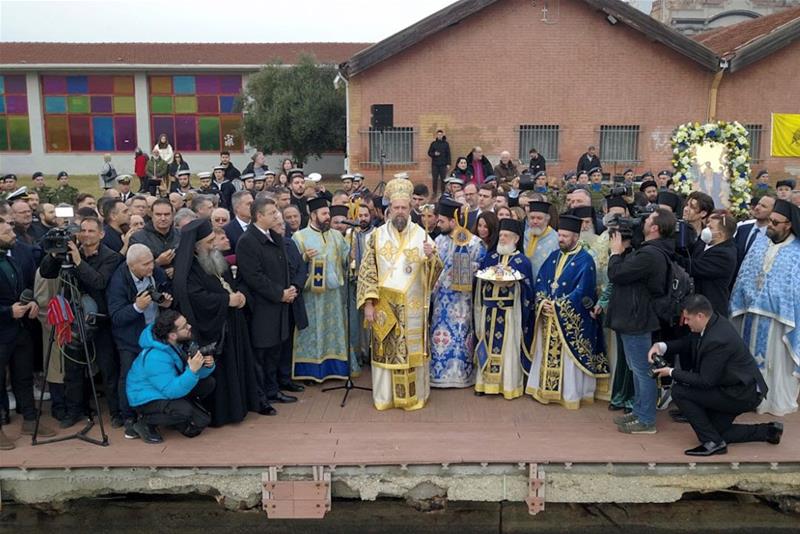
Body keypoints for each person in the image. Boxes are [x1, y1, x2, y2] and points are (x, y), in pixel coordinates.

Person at [648, 295, 781, 456]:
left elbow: (705, 381)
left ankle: (713, 444)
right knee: (715, 430)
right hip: (734, 386)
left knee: (679, 392)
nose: (686, 323)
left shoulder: (717, 340)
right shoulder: (713, 322)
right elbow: (688, 342)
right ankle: (769, 431)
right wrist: (661, 347)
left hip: (741, 394)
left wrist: (670, 372)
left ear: (700, 316)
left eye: (688, 319)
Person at [357, 175, 442, 410]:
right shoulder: (376, 236)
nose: (401, 212)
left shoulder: (422, 235)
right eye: (396, 207)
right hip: (384, 306)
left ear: (411, 208)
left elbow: (434, 275)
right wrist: (369, 305)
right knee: (386, 353)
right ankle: (386, 397)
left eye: (404, 207)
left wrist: (432, 257)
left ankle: (414, 397)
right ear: (390, 209)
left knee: (413, 353)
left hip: (414, 306)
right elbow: (367, 273)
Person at [172, 217, 260, 427]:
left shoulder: (213, 257)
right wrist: (226, 300)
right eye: (209, 242)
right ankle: (223, 413)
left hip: (232, 321)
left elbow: (230, 281)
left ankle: (241, 406)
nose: (214, 245)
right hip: (211, 328)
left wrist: (241, 296)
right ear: (196, 245)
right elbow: (193, 296)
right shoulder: (187, 267)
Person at [39, 216, 124, 427]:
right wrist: (56, 254)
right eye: (83, 230)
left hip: (100, 320)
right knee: (73, 368)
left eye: (91, 231)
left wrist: (78, 261)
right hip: (72, 320)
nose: (86, 235)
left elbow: (99, 281)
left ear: (101, 234)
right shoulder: (70, 251)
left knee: (107, 368)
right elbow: (46, 272)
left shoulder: (111, 257)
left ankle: (116, 412)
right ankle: (74, 411)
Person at [526, 214, 608, 408]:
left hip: (568, 318)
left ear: (576, 237)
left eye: (565, 236)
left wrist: (556, 306)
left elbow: (583, 291)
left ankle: (570, 393)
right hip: (549, 315)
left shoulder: (585, 260)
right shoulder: (554, 256)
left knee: (569, 359)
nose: (560, 239)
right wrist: (543, 300)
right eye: (559, 235)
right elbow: (541, 282)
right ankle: (546, 390)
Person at [607, 208, 677, 434]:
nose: (643, 222)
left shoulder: (650, 254)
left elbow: (617, 274)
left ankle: (646, 420)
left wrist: (616, 253)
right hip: (634, 316)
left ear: (655, 227)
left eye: (648, 219)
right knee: (636, 367)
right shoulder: (648, 251)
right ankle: (638, 411)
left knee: (642, 370)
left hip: (637, 318)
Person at [730, 199, 800, 416]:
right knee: (748, 358)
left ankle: (773, 401)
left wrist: (775, 301)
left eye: (775, 222)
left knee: (775, 362)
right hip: (752, 314)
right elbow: (745, 274)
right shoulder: (761, 241)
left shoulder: (796, 252)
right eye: (770, 220)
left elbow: (795, 289)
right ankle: (749, 398)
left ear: (788, 225)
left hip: (780, 321)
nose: (769, 225)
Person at [236, 197, 298, 414]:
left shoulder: (274, 236)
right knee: (261, 354)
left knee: (275, 350)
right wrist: (278, 293)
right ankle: (260, 398)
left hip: (280, 303)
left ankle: (273, 390)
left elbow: (284, 267)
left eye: (276, 212)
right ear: (259, 216)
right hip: (262, 307)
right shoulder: (247, 241)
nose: (277, 216)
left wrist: (289, 290)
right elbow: (254, 276)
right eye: (272, 213)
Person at [0, 217, 56, 450]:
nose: (13, 234)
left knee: (23, 377)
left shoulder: (12, 258)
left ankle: (30, 420)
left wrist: (31, 301)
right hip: (2, 330)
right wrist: (6, 312)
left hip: (20, 330)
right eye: (6, 232)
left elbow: (23, 289)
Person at [107, 244, 172, 439]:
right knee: (128, 376)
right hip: (130, 338)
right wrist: (137, 307)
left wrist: (166, 301)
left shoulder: (156, 272)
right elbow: (116, 316)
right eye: (145, 264)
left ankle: (154, 412)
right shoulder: (118, 281)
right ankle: (127, 417)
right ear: (131, 266)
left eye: (152, 261)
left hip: (155, 334)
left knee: (157, 372)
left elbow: (166, 290)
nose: (151, 267)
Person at [126, 310, 215, 444]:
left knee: (208, 384)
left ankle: (177, 414)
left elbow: (185, 375)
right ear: (172, 335)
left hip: (165, 388)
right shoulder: (156, 356)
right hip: (146, 398)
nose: (189, 327)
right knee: (184, 412)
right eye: (184, 326)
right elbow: (171, 390)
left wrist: (205, 366)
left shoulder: (175, 343)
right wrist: (192, 371)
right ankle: (144, 422)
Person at [291, 197, 353, 382]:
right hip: (312, 297)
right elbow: (293, 266)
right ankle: (310, 372)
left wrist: (352, 252)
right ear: (313, 215)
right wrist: (303, 257)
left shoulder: (335, 235)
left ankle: (336, 369)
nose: (328, 217)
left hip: (334, 296)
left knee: (334, 331)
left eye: (328, 213)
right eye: (324, 214)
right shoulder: (299, 237)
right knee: (313, 332)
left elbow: (345, 259)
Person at [430, 197, 486, 389]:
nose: (438, 224)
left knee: (461, 337)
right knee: (439, 338)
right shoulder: (437, 240)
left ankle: (461, 375)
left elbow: (481, 269)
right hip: (440, 302)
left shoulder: (475, 243)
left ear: (454, 221)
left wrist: (465, 268)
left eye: (442, 221)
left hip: (462, 302)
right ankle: (439, 375)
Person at [474, 218, 534, 398]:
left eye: (506, 236)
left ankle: (508, 386)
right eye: (500, 235)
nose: (502, 239)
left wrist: (514, 286)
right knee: (486, 344)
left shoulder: (522, 261)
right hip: (488, 311)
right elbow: (479, 282)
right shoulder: (490, 258)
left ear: (516, 239)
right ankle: (484, 384)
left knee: (508, 348)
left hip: (509, 313)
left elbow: (528, 290)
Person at [690, 210, 737, 317]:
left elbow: (695, 267)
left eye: (711, 228)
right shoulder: (703, 243)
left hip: (711, 308)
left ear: (721, 234)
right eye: (707, 225)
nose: (706, 230)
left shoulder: (725, 255)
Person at [130, 198, 180, 278]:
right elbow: (134, 270)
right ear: (151, 215)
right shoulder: (138, 238)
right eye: (158, 214)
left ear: (173, 215)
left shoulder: (181, 235)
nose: (163, 218)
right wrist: (157, 262)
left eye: (167, 214)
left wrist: (177, 269)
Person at [734, 195, 775, 272]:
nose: (757, 208)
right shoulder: (742, 229)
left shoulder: (773, 236)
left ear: (773, 212)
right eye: (758, 204)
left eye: (763, 206)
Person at [523, 201, 559, 279]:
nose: (535, 221)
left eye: (539, 218)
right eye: (532, 218)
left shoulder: (556, 238)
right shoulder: (524, 235)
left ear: (547, 219)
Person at [427, 129, 451, 196]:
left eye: (441, 135)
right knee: (435, 179)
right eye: (438, 135)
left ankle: (443, 192)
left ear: (442, 135)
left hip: (443, 164)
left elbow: (448, 154)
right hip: (435, 164)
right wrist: (434, 154)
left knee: (443, 179)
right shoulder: (433, 144)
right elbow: (429, 153)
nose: (439, 136)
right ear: (436, 135)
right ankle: (434, 192)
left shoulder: (446, 144)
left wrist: (448, 163)